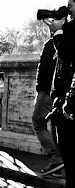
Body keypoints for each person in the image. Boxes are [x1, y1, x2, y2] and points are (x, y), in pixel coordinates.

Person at [45, 0, 75, 188]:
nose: (68, 9)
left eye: (71, 6)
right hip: (64, 92)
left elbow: (65, 52)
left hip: (69, 94)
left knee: (68, 146)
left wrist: (58, 32)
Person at [33, 36, 64, 176]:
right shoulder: (67, 41)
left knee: (38, 123)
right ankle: (58, 168)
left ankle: (56, 159)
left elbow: (44, 68)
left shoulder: (52, 43)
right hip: (60, 93)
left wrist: (39, 87)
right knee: (55, 128)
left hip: (47, 92)